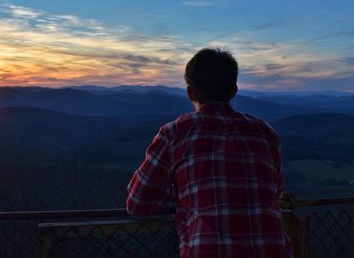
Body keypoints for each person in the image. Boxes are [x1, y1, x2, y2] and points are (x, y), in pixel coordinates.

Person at [126, 48, 293, 258]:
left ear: (190, 92)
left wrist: (181, 193)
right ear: (234, 90)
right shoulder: (266, 134)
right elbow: (274, 191)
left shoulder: (175, 133)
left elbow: (138, 203)